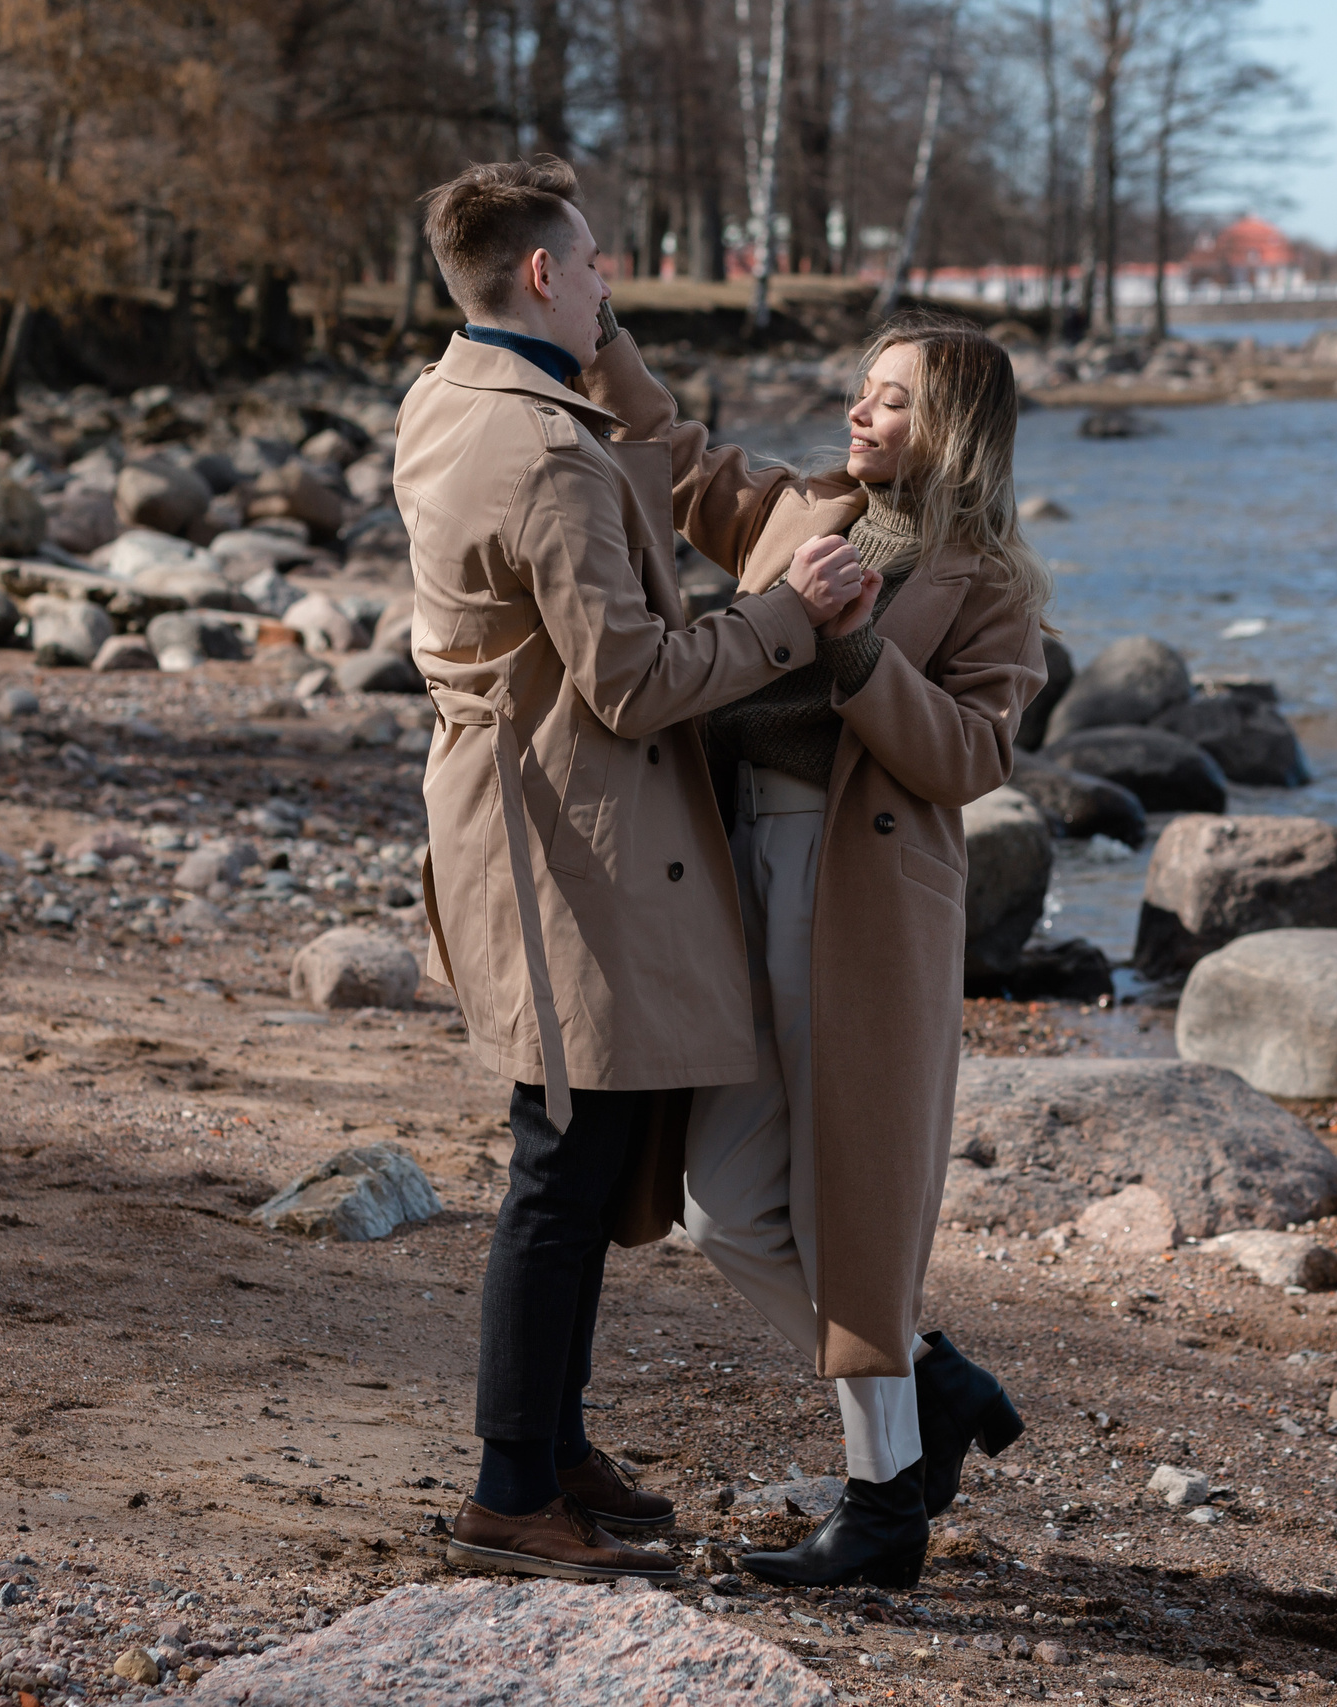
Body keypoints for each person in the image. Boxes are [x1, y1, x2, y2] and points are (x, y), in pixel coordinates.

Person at [394, 157, 872, 1584]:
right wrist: (787, 617)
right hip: (567, 840)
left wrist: (614, 372)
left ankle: (552, 1446)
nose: (612, 284)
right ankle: (507, 1487)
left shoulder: (448, 396)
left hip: (515, 817)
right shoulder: (544, 450)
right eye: (596, 262)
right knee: (560, 1169)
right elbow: (631, 681)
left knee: (581, 1154)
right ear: (543, 274)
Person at [580, 314, 1047, 1589]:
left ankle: (883, 1503)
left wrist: (851, 645)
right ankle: (931, 1381)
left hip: (862, 907)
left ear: (951, 427)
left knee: (850, 1209)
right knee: (725, 1207)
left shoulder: (990, 583)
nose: (860, 413)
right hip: (730, 876)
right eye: (861, 391)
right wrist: (597, 334)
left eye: (892, 400)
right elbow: (671, 451)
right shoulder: (798, 511)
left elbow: (971, 756)